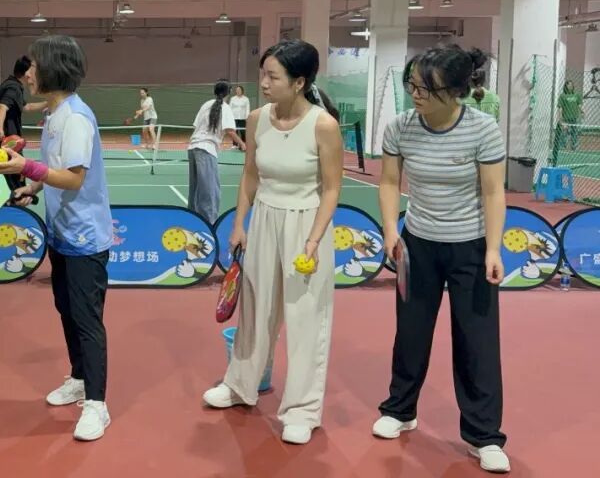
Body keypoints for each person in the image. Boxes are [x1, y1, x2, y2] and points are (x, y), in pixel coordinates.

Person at [373, 46, 510, 474]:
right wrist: (391, 230)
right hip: (418, 246)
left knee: (477, 341)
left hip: (470, 247)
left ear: (455, 91)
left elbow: (493, 192)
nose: (415, 94)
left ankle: (484, 435)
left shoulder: (483, 129)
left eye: (426, 88)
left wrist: (492, 249)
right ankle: (400, 409)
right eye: (412, 85)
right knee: (411, 332)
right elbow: (389, 181)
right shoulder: (400, 127)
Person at [202, 39, 343, 446]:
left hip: (306, 225)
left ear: (299, 82)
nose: (263, 83)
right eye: (263, 74)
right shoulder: (257, 118)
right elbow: (250, 174)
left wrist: (314, 240)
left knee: (305, 318)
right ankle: (239, 384)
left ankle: (302, 410)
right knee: (255, 308)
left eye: (273, 76)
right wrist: (239, 224)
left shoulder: (323, 125)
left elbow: (332, 189)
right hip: (263, 218)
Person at [0, 35, 114, 442]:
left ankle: (97, 404)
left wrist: (25, 168)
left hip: (85, 238)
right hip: (61, 232)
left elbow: (74, 178)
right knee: (66, 309)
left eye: (33, 65)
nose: (27, 73)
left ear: (53, 69)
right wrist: (33, 188)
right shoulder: (55, 114)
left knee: (87, 320)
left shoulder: (75, 118)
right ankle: (79, 379)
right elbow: (55, 169)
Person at [0, 55, 47, 190]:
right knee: (12, 177)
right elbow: (2, 107)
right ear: (26, 73)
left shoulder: (12, 85)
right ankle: (16, 198)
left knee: (12, 176)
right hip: (5, 142)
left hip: (8, 142)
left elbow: (27, 107)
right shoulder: (13, 88)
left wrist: (49, 103)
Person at [186, 80, 241, 226]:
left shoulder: (206, 104)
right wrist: (243, 144)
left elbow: (196, 126)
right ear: (228, 93)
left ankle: (192, 220)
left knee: (196, 189)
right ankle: (209, 225)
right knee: (210, 191)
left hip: (193, 148)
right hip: (206, 149)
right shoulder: (226, 108)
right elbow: (230, 130)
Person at [556, 80, 583, 150]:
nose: (570, 86)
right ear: (565, 86)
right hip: (566, 118)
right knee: (564, 133)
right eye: (568, 85)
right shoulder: (562, 96)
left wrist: (582, 111)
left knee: (575, 133)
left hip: (575, 118)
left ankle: (574, 147)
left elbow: (579, 105)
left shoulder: (576, 95)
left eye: (571, 84)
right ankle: (562, 147)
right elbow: (560, 108)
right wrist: (560, 118)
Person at [228, 85, 251, 150]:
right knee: (234, 131)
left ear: (242, 91)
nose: (238, 91)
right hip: (234, 118)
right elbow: (230, 108)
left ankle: (243, 144)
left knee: (243, 131)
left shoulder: (246, 99)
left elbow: (247, 108)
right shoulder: (233, 98)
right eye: (237, 90)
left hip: (242, 118)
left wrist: (247, 117)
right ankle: (235, 145)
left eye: (239, 90)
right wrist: (229, 117)